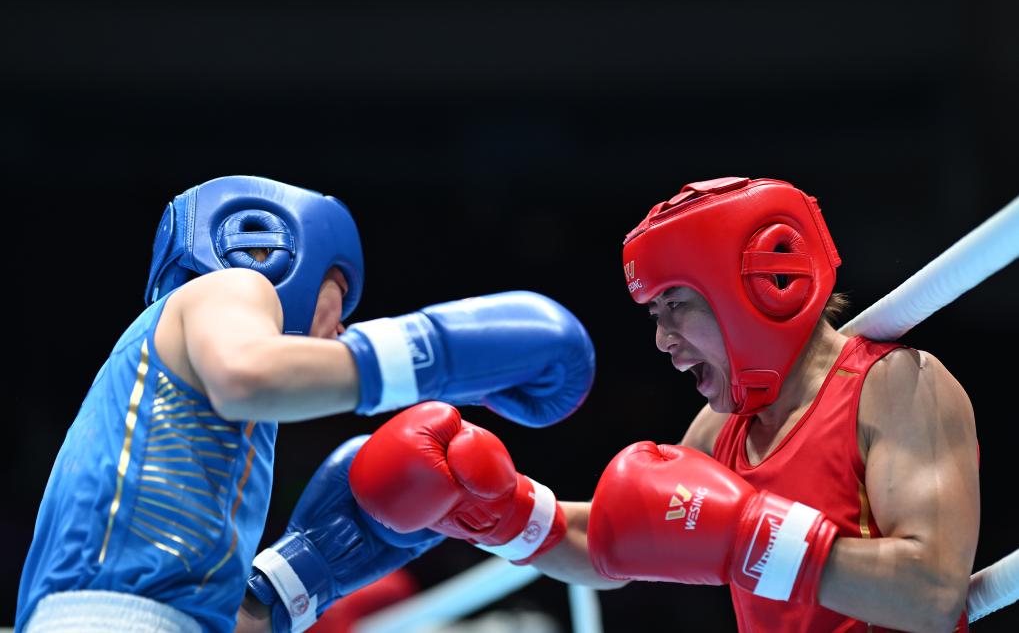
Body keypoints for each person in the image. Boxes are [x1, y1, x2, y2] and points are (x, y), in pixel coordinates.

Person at [349, 177, 980, 632]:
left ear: (762, 286)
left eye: (676, 305)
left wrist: (748, 535)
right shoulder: (724, 428)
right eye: (655, 314)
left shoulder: (897, 386)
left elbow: (931, 594)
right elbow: (613, 543)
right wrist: (493, 513)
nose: (663, 339)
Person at [16, 175, 595, 632]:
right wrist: (432, 355)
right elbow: (246, 374)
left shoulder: (203, 428)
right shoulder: (230, 287)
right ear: (273, 255)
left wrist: (298, 579)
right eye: (339, 295)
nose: (342, 329)